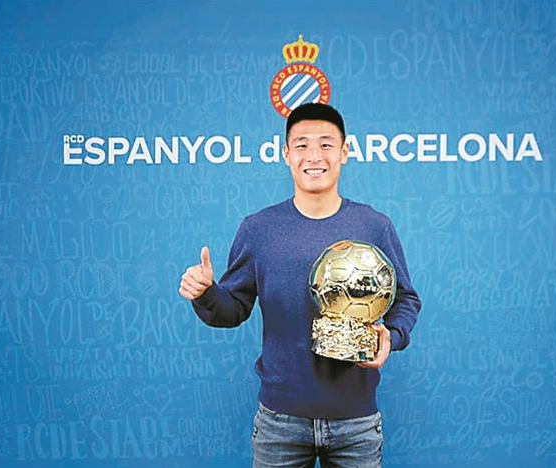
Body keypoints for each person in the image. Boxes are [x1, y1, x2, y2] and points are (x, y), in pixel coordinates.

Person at [179, 103, 421, 468]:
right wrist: (206, 293)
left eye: (326, 144)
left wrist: (393, 335)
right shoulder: (259, 229)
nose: (314, 156)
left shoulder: (374, 226)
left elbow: (405, 299)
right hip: (280, 422)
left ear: (344, 152)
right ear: (286, 154)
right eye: (302, 145)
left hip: (356, 422)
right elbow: (233, 310)